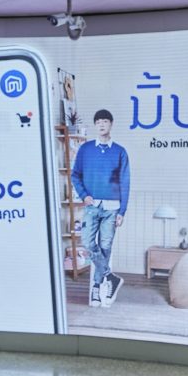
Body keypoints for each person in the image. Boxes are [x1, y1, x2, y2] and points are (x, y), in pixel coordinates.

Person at [71, 109, 130, 308]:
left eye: (105, 121)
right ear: (95, 125)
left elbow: (125, 182)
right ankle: (110, 276)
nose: (102, 125)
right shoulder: (86, 149)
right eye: (98, 122)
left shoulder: (120, 151)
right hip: (92, 206)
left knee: (105, 248)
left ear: (111, 124)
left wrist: (122, 211)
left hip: (112, 208)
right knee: (88, 243)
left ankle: (96, 288)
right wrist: (84, 195)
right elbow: (75, 175)